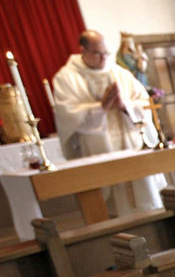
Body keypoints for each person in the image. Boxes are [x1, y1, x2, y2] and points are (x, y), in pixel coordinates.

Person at [53, 30, 167, 216]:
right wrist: (101, 107)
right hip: (98, 148)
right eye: (97, 53)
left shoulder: (121, 73)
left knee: (145, 198)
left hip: (132, 145)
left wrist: (125, 106)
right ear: (83, 50)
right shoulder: (66, 78)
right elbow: (67, 115)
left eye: (106, 53)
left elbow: (145, 104)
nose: (103, 58)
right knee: (113, 205)